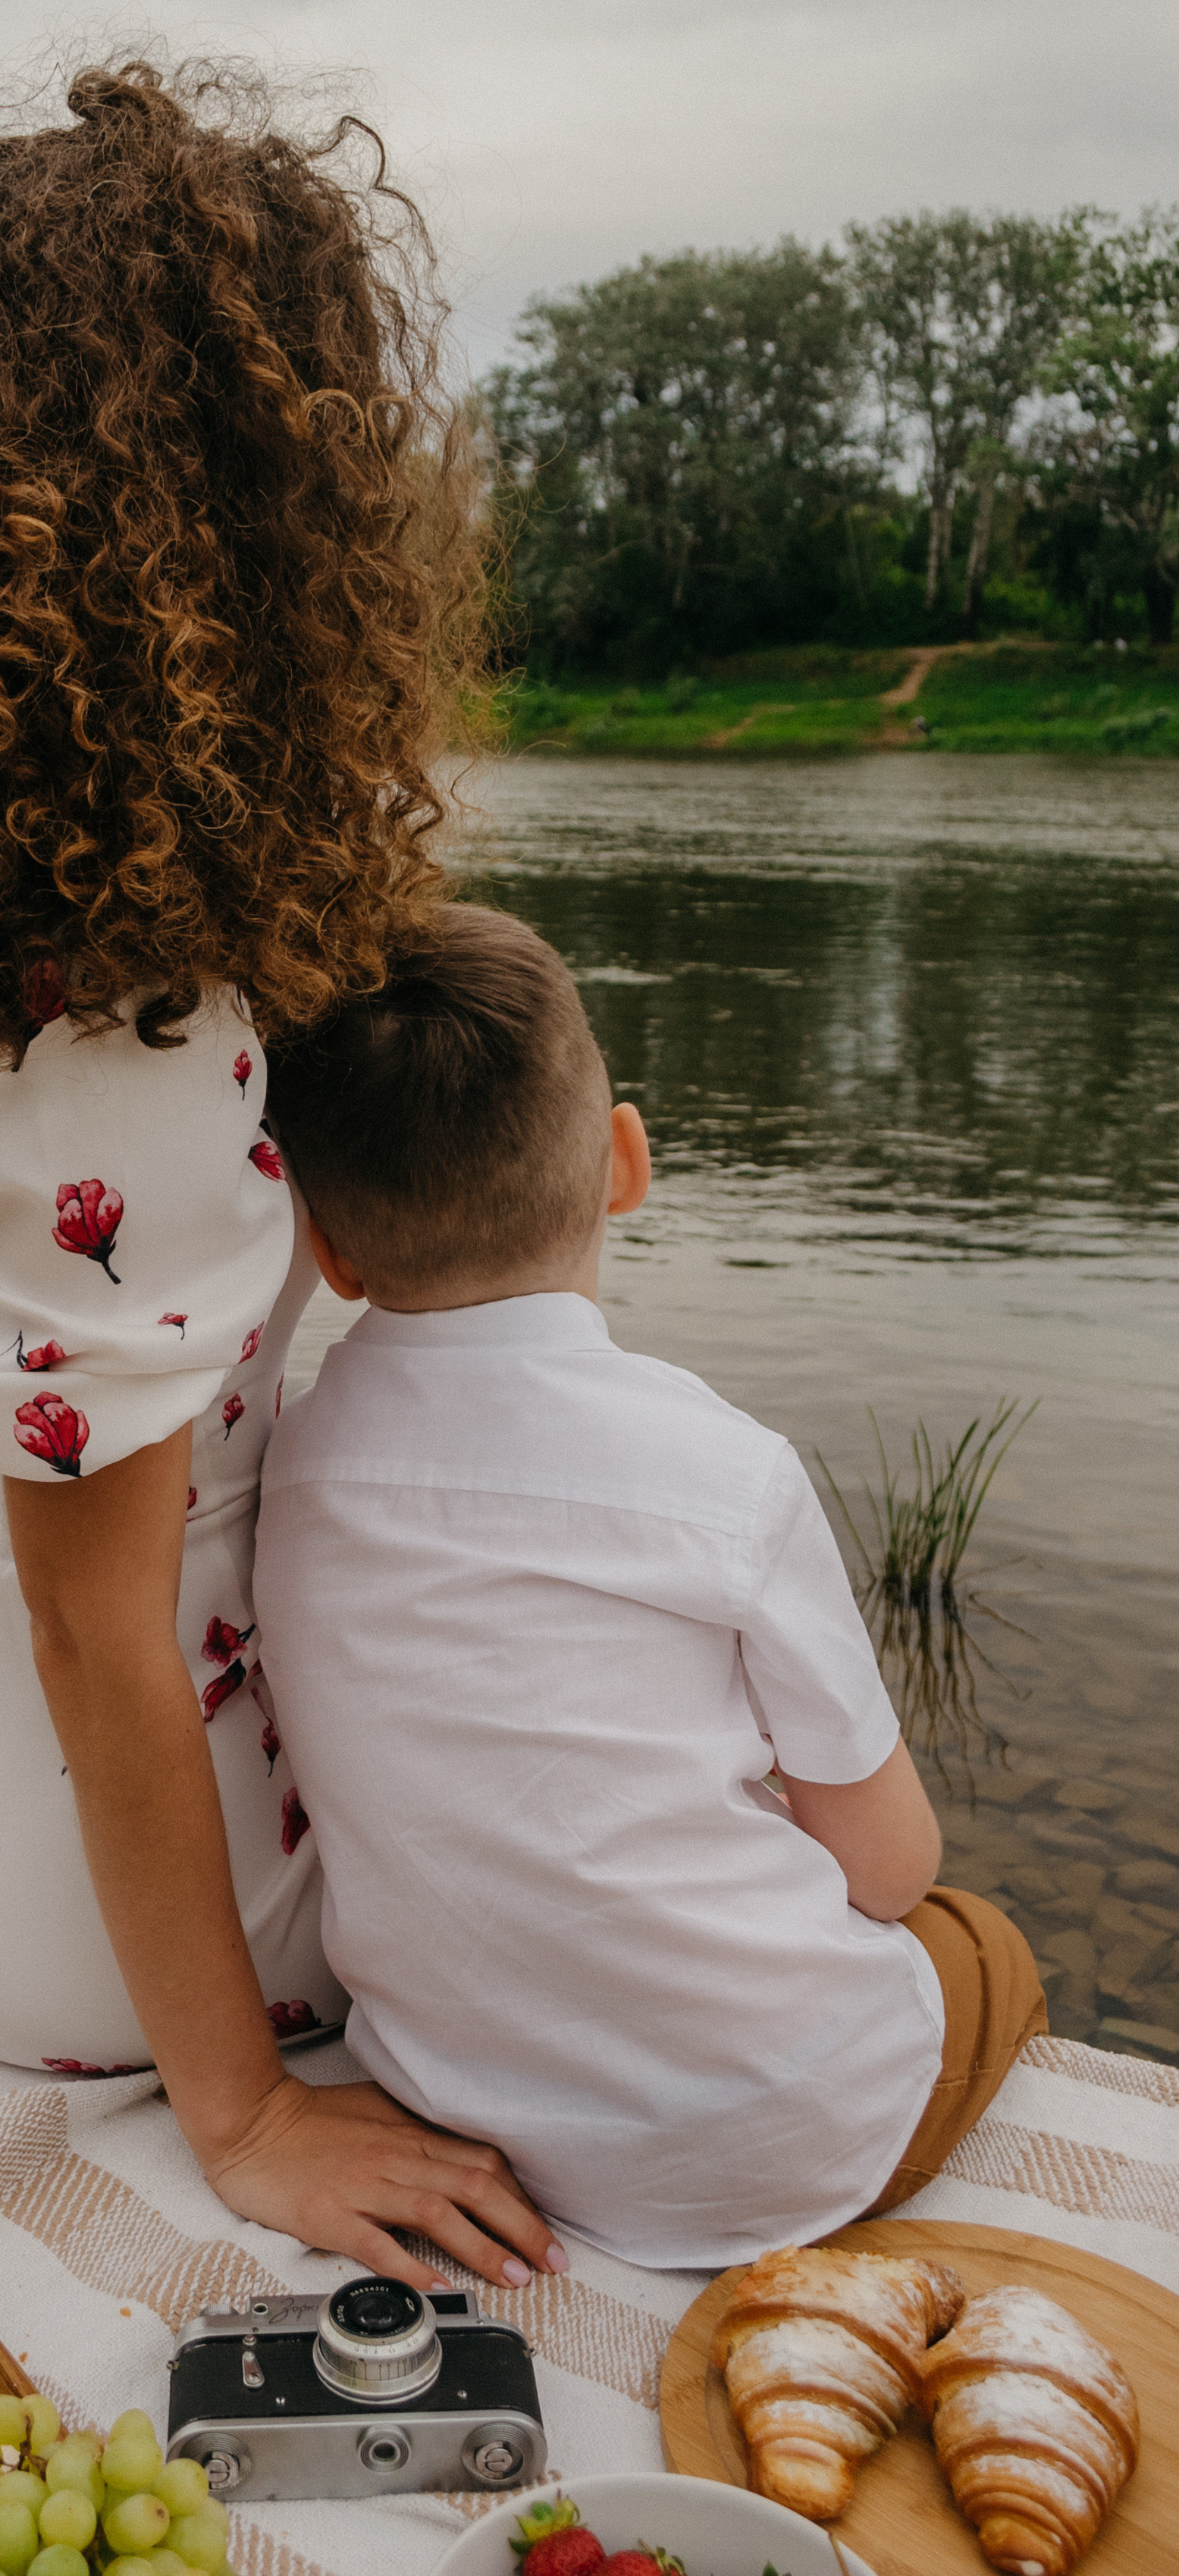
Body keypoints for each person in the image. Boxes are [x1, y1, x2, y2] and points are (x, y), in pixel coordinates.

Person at [0, 59, 562, 2294]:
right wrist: (250, 2114)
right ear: (262, 501)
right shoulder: (119, 1023)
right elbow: (96, 1617)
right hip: (100, 1908)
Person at [254, 903, 1049, 2271]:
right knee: (982, 1940)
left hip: (457, 2103)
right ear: (625, 1161)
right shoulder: (725, 1474)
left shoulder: (292, 1471)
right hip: (775, 2142)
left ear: (328, 1247)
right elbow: (887, 1869)